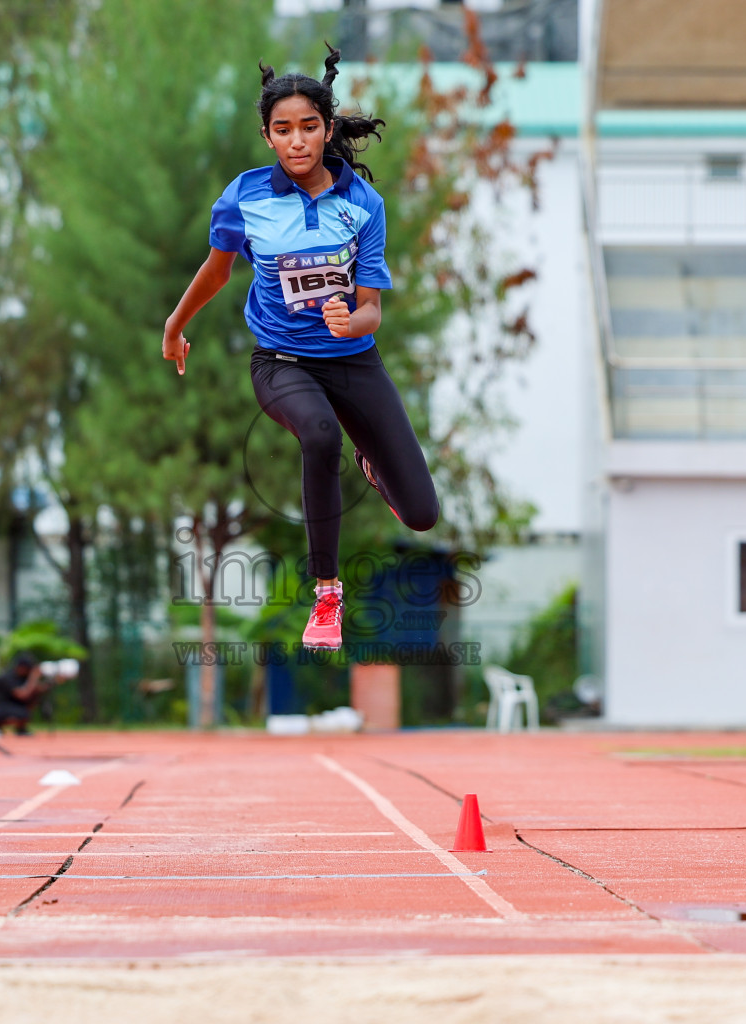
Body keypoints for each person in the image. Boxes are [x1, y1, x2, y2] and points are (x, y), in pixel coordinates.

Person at [161, 43, 440, 652]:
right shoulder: (245, 197)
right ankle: (327, 595)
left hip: (353, 362)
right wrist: (175, 324)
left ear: (327, 130)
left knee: (422, 514)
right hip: (281, 361)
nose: (296, 141)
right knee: (318, 435)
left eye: (308, 128)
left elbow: (372, 309)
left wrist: (353, 323)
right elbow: (216, 270)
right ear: (267, 136)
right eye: (282, 130)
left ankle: (376, 463)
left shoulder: (363, 206)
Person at [0, 653, 52, 736]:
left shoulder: (22, 678)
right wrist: (34, 677)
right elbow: (22, 695)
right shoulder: (7, 677)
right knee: (23, 713)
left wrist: (55, 681)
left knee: (32, 699)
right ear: (21, 667)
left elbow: (37, 690)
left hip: (8, 705)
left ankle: (20, 729)